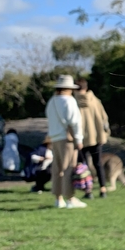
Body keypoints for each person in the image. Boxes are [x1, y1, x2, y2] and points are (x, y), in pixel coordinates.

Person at [45, 75, 87, 209]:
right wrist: (79, 139)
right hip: (66, 139)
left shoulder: (52, 101)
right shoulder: (69, 101)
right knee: (68, 168)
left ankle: (58, 198)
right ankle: (71, 198)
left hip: (55, 138)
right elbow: (75, 122)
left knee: (57, 169)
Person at [74, 77, 111, 198]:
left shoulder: (73, 102)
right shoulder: (96, 101)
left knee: (83, 165)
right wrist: (105, 132)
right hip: (96, 137)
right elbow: (104, 119)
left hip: (80, 139)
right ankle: (103, 189)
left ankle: (88, 191)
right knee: (98, 164)